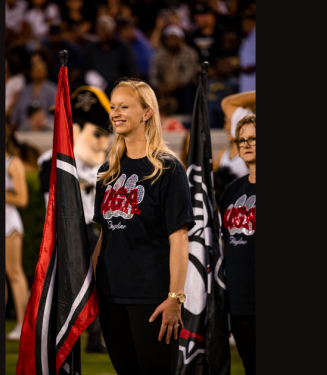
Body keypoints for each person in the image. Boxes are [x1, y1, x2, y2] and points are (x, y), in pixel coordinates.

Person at [92, 78, 195, 374]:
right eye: (113, 107)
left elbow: (179, 239)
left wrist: (175, 297)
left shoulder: (168, 169)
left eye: (125, 106)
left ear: (147, 113)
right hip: (110, 295)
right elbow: (105, 236)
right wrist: (91, 288)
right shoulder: (107, 170)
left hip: (151, 297)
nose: (116, 113)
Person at [37, 86, 113, 353]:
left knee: (98, 286)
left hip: (90, 232)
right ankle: (61, 342)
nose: (103, 143)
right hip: (64, 233)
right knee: (64, 292)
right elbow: (53, 207)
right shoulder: (52, 162)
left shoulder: (99, 166)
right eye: (97, 134)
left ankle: (94, 337)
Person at [217, 114, 256, 375]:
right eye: (241, 140)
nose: (246, 144)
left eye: (253, 138)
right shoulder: (232, 190)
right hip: (240, 299)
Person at [5, 122, 29, 340]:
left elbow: (22, 198)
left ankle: (23, 324)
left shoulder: (13, 162)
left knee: (14, 273)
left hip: (9, 224)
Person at [10, 50, 57, 129]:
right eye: (36, 70)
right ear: (31, 72)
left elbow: (56, 112)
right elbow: (17, 110)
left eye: (41, 70)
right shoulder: (25, 90)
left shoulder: (52, 89)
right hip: (25, 127)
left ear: (46, 72)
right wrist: (13, 122)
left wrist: (40, 121)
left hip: (46, 127)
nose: (38, 72)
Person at [216, 90, 255, 178]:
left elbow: (227, 102)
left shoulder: (250, 125)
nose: (229, 127)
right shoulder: (222, 153)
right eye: (226, 122)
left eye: (232, 122)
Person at [238, 9, 256, 92]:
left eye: (247, 21)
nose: (244, 24)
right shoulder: (248, 37)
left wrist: (252, 67)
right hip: (248, 85)